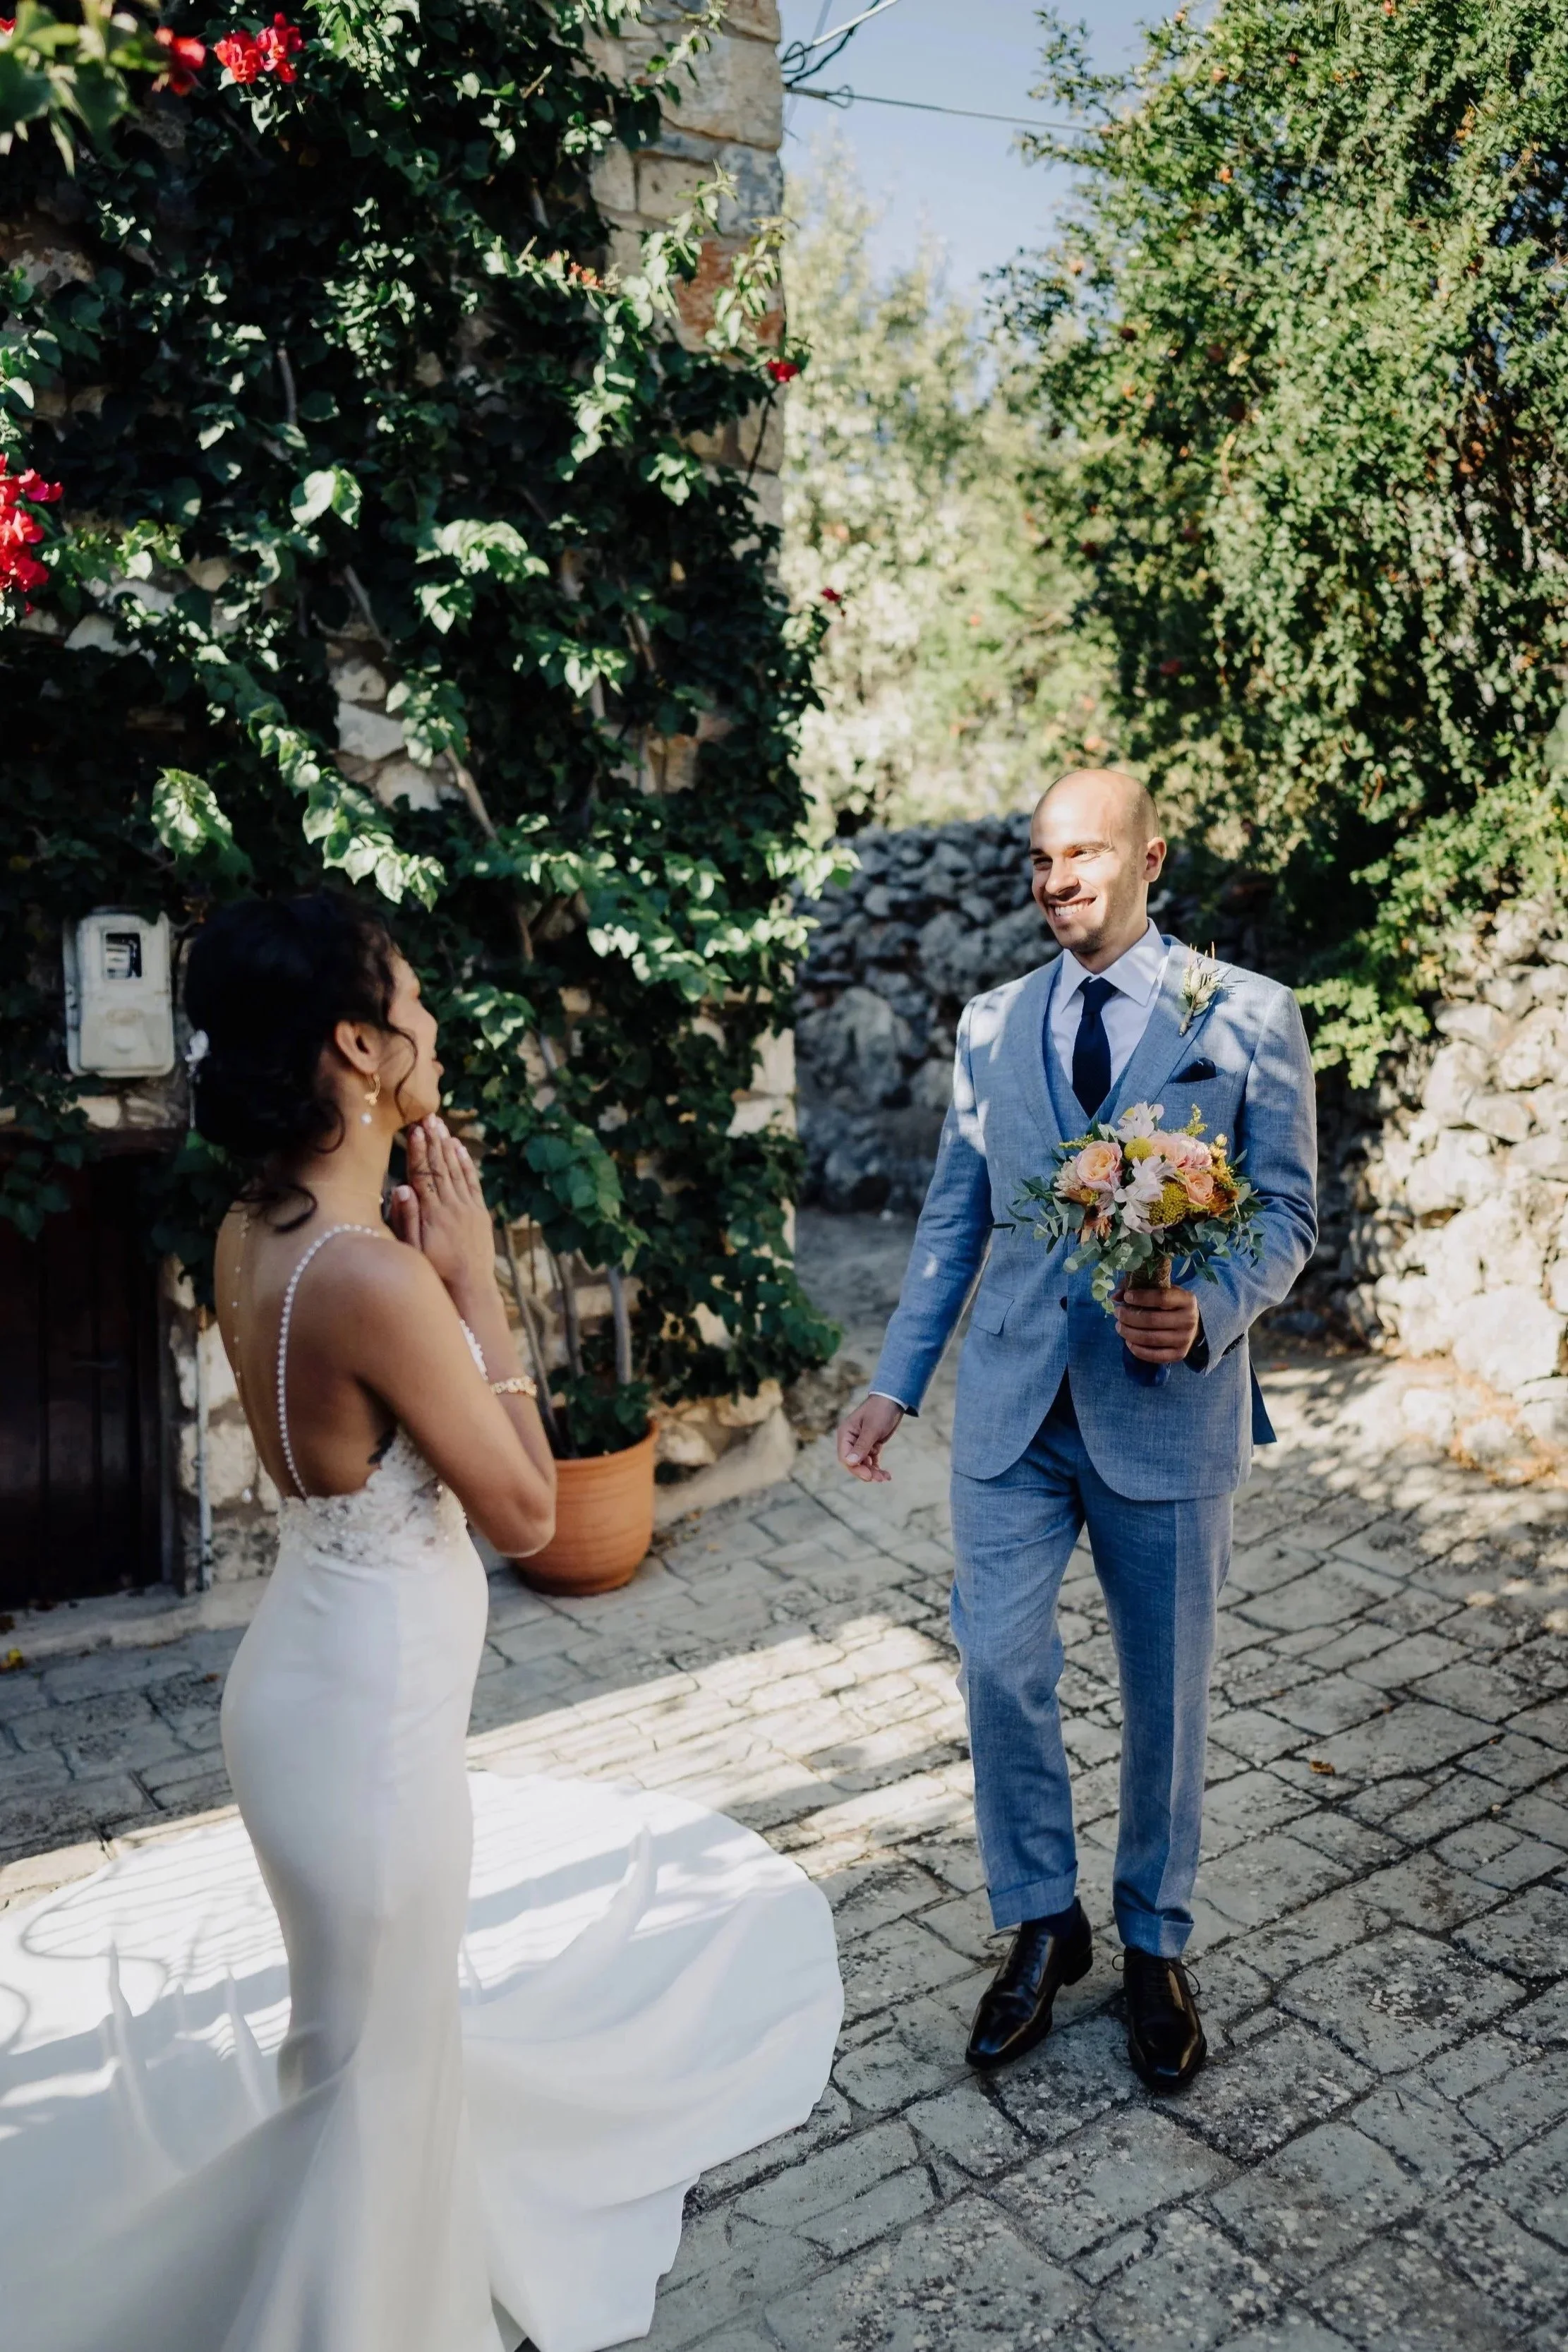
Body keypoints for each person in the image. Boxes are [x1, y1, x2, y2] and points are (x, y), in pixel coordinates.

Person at [0, 891, 841, 2352]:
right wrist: (475, 1284)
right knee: (372, 2072)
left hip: (316, 1697)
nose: (437, 1023)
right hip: (368, 1739)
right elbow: (525, 1514)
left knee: (363, 2055)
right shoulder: (373, 1277)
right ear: (355, 1041)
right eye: (415, 999)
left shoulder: (250, 1228)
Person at [838, 771, 1317, 2091]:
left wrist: (1210, 1309)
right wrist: (895, 1381)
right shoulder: (989, 1025)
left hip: (1163, 1410)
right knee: (996, 1664)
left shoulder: (1249, 1018)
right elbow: (956, 1218)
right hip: (1009, 1407)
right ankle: (1043, 1922)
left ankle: (1155, 1943)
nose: (1057, 880)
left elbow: (1283, 1212)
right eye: (1041, 858)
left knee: (1165, 1695)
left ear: (1147, 856)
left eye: (1084, 854)